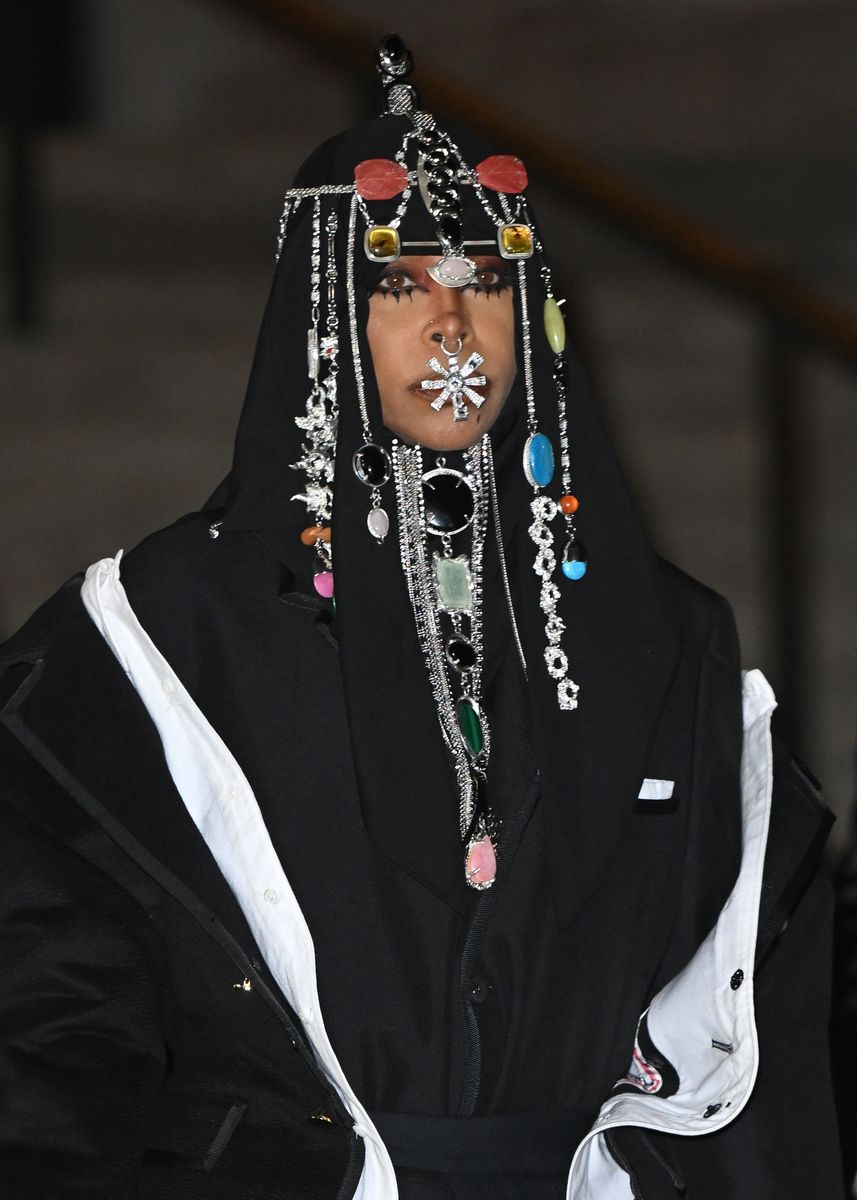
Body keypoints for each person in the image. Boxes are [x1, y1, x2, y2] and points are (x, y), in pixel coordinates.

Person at [0, 35, 842, 1200]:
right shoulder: (160, 633)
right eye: (400, 283)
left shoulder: (669, 639)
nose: (451, 325)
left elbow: (748, 1008)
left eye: (485, 280)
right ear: (324, 313)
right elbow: (53, 988)